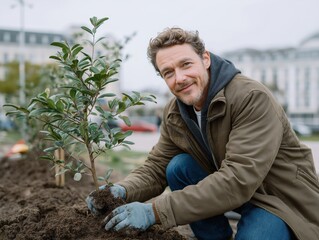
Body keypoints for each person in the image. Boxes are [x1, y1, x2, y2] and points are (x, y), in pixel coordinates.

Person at [86, 27, 319, 240]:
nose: (180, 78)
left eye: (186, 64)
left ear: (205, 59)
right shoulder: (175, 112)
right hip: (241, 194)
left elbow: (237, 180)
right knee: (178, 166)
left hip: (280, 200)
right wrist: (120, 191)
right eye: (168, 72)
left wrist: (155, 211)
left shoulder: (250, 98)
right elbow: (157, 167)